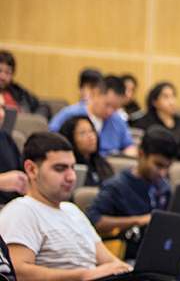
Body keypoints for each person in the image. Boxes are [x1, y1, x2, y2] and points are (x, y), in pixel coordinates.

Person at [85, 127, 180, 281]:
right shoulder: (117, 186)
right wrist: (138, 220)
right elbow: (93, 222)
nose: (162, 173)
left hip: (161, 257)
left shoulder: (164, 187)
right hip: (127, 257)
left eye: (167, 168)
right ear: (141, 155)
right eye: (158, 165)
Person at [0, 131, 133, 280]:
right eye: (60, 169)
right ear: (32, 170)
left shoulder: (72, 211)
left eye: (72, 168)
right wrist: (86, 275)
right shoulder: (21, 210)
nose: (71, 177)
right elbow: (18, 272)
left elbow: (111, 263)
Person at [48, 75, 137, 157]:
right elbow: (51, 138)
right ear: (95, 93)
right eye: (107, 104)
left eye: (115, 107)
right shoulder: (70, 114)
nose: (110, 111)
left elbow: (130, 146)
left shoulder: (117, 119)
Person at [129, 82, 180, 152]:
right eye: (166, 97)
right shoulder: (144, 123)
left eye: (173, 96)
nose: (172, 101)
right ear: (155, 102)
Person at [56, 115, 114, 187]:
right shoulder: (70, 170)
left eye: (92, 131)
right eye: (82, 133)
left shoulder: (102, 164)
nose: (91, 136)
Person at [0, 51, 49, 119]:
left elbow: (42, 107)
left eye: (7, 73)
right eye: (0, 71)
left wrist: (32, 119)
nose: (3, 77)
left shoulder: (19, 92)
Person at [0, 93, 28, 204]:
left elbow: (21, 171)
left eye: (2, 108)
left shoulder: (5, 138)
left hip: (12, 206)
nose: (2, 114)